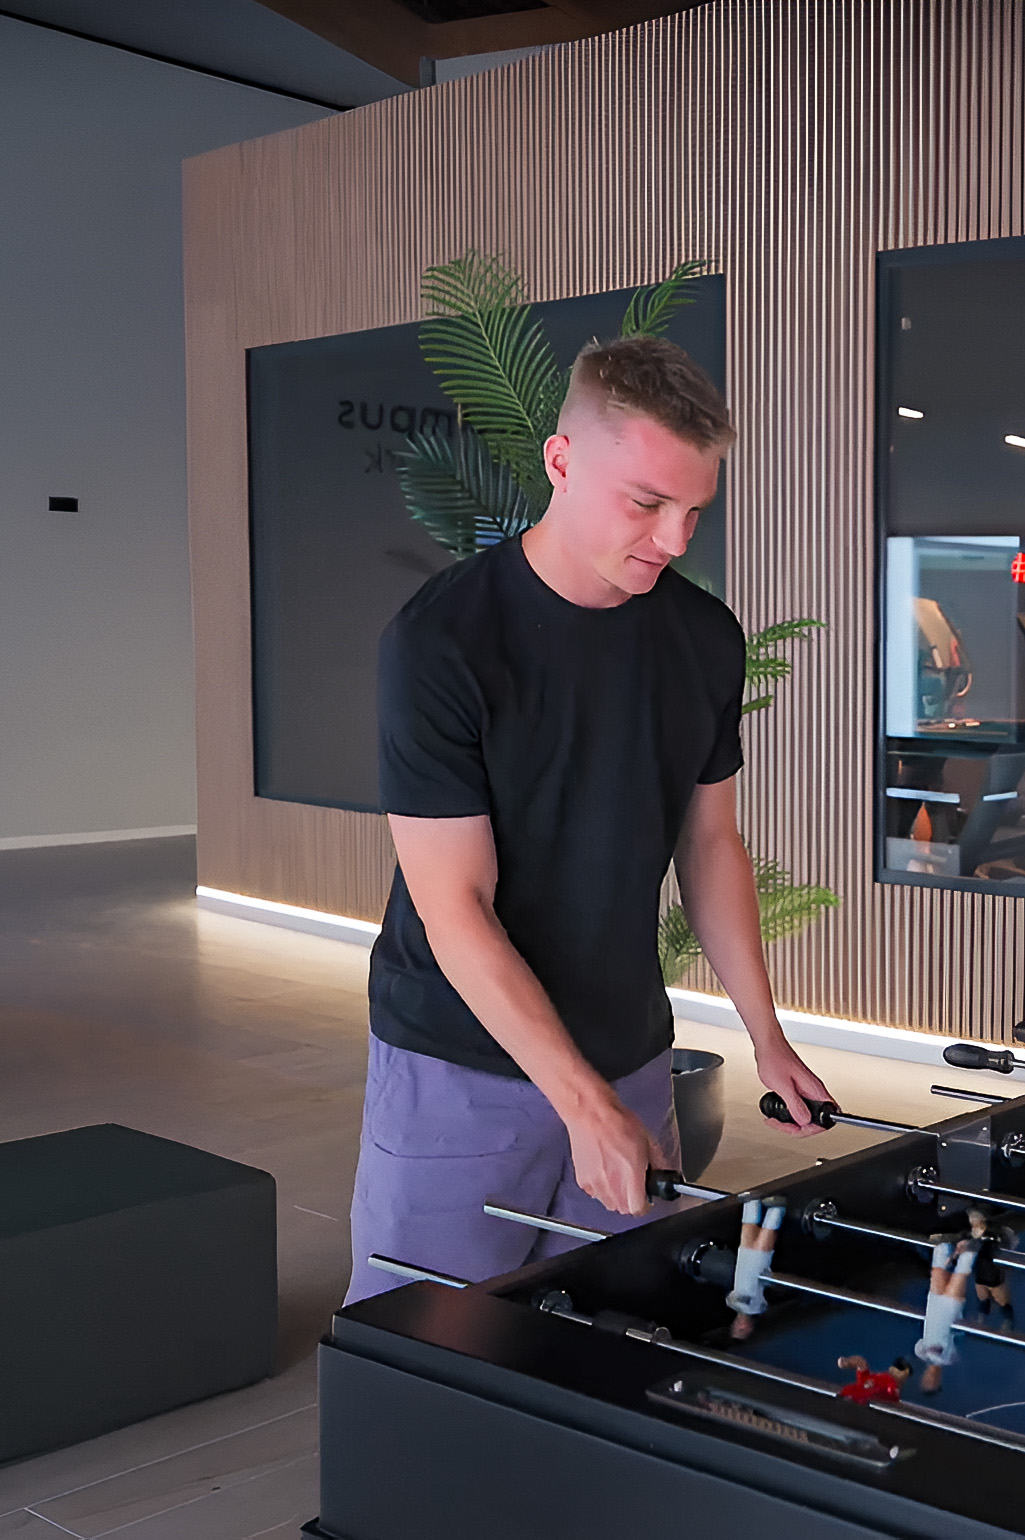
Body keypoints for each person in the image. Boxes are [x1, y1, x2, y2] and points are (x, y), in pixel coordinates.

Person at [344, 337, 835, 1305]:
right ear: (562, 463)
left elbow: (708, 844)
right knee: (428, 1363)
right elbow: (456, 907)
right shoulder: (442, 641)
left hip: (632, 1056)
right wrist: (581, 1103)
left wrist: (766, 1036)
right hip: (461, 1069)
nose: (675, 538)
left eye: (695, 509)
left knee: (608, 1353)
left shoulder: (703, 639)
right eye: (647, 503)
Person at [913, 1237, 979, 1394]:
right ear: (939, 1381)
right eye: (932, 1382)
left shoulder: (919, 1351)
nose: (930, 1378)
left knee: (937, 1272)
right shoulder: (951, 1358)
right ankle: (974, 1242)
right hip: (950, 1311)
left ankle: (945, 1240)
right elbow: (959, 1337)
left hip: (934, 1307)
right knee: (960, 1275)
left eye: (926, 1381)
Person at [722, 1197, 785, 1340]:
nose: (741, 1326)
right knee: (765, 1236)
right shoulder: (759, 1307)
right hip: (758, 1265)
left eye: (737, 1329)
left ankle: (752, 1202)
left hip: (744, 1260)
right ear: (750, 1328)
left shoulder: (730, 1302)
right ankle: (777, 1209)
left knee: (747, 1230)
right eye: (743, 1330)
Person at [963, 1207, 1016, 1329]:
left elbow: (1007, 1246)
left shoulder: (994, 1234)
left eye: (974, 1221)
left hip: (992, 1272)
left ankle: (1009, 1321)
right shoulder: (972, 1236)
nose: (972, 1224)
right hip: (980, 1271)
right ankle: (981, 1319)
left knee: (1001, 1300)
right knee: (982, 1297)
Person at [835, 1355, 910, 1405]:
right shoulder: (869, 1378)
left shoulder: (893, 1391)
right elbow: (861, 1363)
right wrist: (847, 1362)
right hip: (845, 1398)